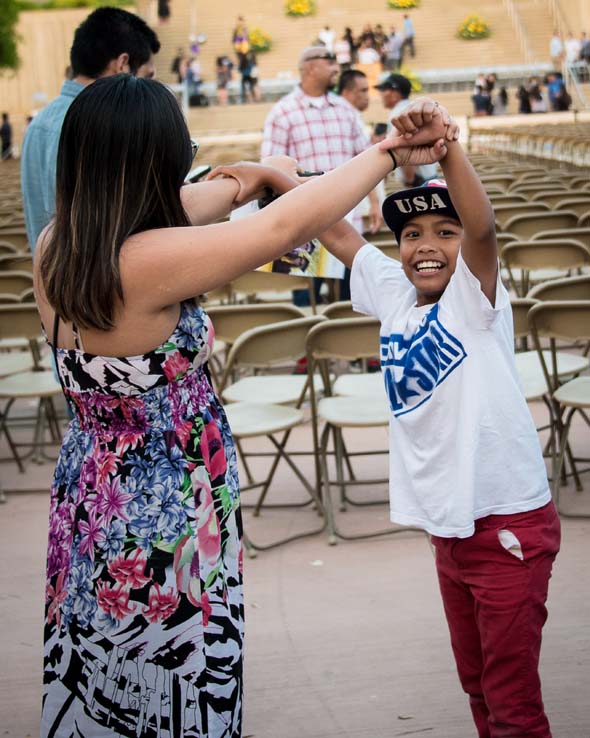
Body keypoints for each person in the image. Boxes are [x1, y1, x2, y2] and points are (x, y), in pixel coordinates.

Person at [33, 72, 402, 738]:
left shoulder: (58, 243)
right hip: (168, 510)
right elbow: (288, 225)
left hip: (96, 493)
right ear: (157, 161)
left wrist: (248, 176)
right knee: (176, 671)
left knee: (107, 664)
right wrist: (388, 152)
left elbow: (194, 204)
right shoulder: (146, 261)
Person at [324, 96, 560, 738]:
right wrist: (271, 178)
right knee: (478, 686)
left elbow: (483, 230)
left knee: (513, 702)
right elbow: (337, 230)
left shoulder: (475, 297)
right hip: (450, 529)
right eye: (410, 235)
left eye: (442, 232)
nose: (425, 247)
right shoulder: (397, 296)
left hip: (506, 523)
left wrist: (446, 148)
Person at [21, 7, 160, 253]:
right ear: (123, 65)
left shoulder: (40, 122)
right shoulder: (91, 127)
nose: (149, 91)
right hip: (99, 287)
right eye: (147, 79)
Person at [261, 45, 382, 303]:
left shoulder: (344, 109)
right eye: (329, 61)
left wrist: (374, 201)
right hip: (304, 230)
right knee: (308, 306)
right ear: (310, 67)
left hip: (348, 224)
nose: (336, 68)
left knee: (349, 304)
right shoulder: (282, 112)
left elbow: (366, 158)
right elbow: (269, 171)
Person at [375, 72, 437, 188]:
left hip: (418, 180)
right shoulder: (409, 108)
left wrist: (410, 180)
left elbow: (404, 147)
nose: (381, 94)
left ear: (394, 93)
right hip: (426, 177)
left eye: (384, 90)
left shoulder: (399, 113)